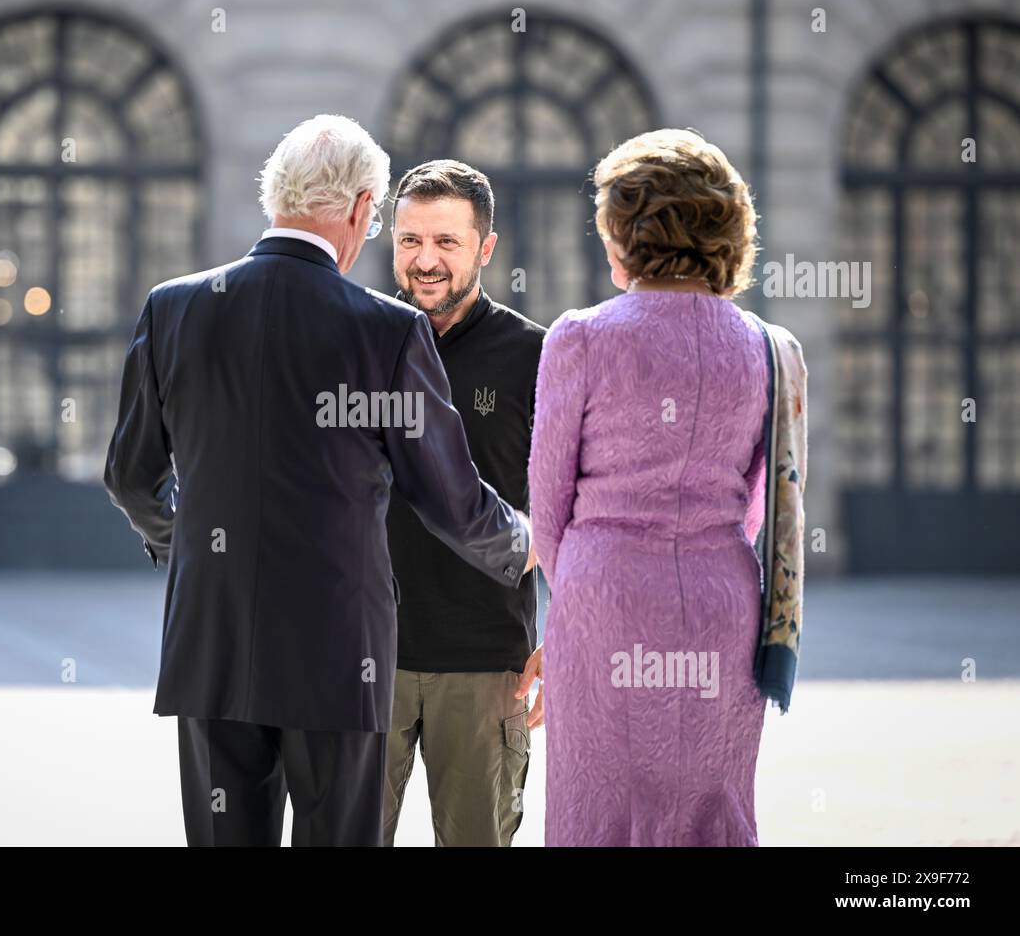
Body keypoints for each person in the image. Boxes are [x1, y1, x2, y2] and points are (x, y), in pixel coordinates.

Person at [103, 115, 535, 847]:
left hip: (210, 646)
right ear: (366, 209)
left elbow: (129, 475)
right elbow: (450, 497)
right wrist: (527, 542)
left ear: (276, 195)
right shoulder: (388, 329)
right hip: (341, 658)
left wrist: (195, 546)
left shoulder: (172, 308)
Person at [524, 128, 806, 846]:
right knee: (712, 802)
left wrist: (583, 602)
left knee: (600, 807)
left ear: (626, 233)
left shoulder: (579, 338)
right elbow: (753, 500)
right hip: (722, 597)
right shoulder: (767, 348)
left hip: (604, 593)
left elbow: (548, 509)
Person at [380, 160, 545, 847]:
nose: (425, 260)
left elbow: (570, 508)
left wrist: (564, 637)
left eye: (446, 242)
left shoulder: (535, 355)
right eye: (410, 240)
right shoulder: (357, 341)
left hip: (485, 667)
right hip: (364, 658)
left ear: (485, 248)